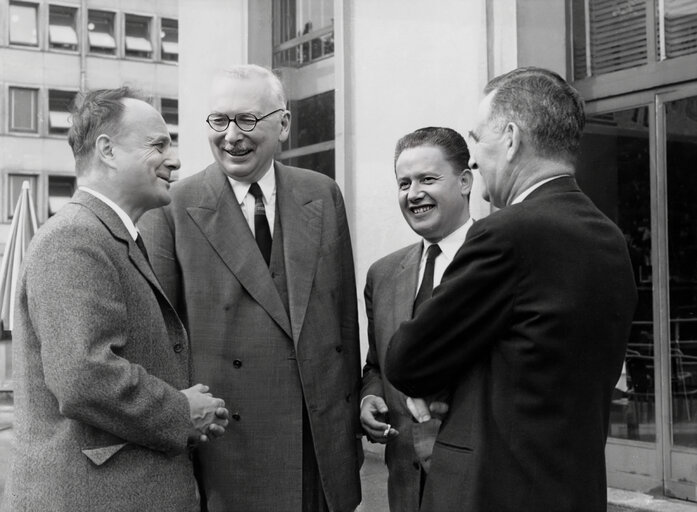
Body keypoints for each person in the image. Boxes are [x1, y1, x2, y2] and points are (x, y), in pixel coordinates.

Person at [384, 67, 638, 512]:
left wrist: (435, 385)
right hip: (573, 488)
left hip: (494, 490)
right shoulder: (609, 237)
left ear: (511, 138)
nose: (476, 160)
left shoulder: (506, 233)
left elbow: (408, 360)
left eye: (478, 140)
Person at [139, 64, 363, 512]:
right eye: (219, 121)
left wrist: (349, 427)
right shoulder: (172, 207)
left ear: (283, 124)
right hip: (226, 452)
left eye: (247, 120)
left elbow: (343, 326)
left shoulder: (322, 194)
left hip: (317, 446)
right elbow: (161, 345)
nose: (231, 136)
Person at [1, 87, 229, 512]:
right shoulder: (74, 237)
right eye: (158, 144)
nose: (175, 159)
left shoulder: (103, 236)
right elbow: (84, 377)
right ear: (106, 150)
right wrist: (181, 411)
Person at [360, 127, 473, 511]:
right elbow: (376, 364)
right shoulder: (383, 274)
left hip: (482, 486)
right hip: (407, 489)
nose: (414, 193)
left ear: (465, 182)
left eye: (428, 179)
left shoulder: (502, 260)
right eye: (403, 183)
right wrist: (370, 397)